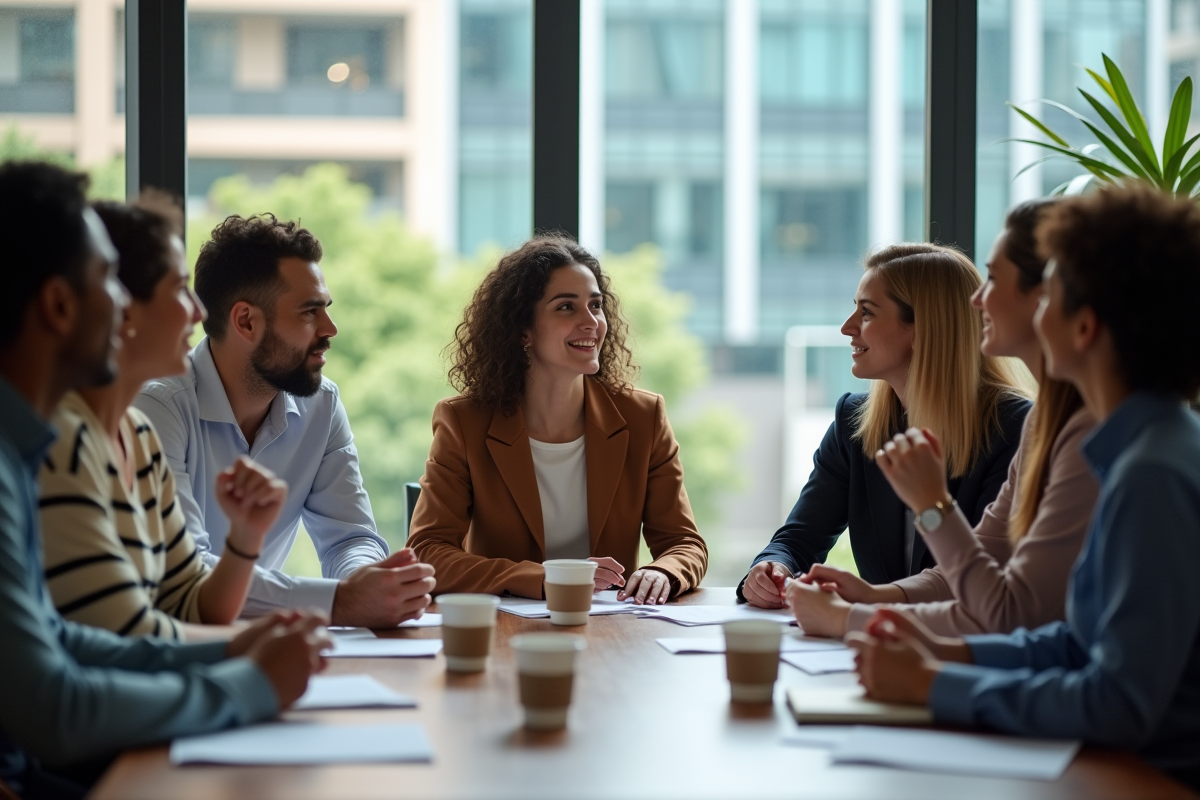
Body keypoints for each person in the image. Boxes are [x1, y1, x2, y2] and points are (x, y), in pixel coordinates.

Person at [847, 185, 1200, 791]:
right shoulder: (1138, 448)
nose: (1034, 312)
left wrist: (933, 682)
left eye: (1049, 296)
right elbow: (1079, 643)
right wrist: (941, 654)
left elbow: (1117, 703)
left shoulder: (1151, 472)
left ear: (1083, 326)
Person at [0, 161, 329, 800]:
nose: (124, 304)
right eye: (109, 281)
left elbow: (67, 642)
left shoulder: (27, 448)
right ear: (60, 305)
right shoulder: (40, 450)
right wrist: (250, 680)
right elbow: (59, 707)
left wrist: (240, 647)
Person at [787, 200, 1099, 637]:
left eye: (993, 279)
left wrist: (855, 618)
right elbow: (983, 578)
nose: (978, 300)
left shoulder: (1045, 429)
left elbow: (1006, 609)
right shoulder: (1049, 423)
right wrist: (874, 599)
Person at [135, 214, 434, 627]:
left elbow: (350, 538)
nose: (331, 329)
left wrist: (367, 579)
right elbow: (188, 571)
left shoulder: (321, 404)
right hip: (176, 644)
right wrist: (342, 601)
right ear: (246, 322)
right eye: (310, 312)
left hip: (266, 642)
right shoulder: (157, 408)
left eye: (326, 309)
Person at [39, 194, 289, 640]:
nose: (198, 311)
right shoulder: (62, 442)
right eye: (179, 289)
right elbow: (128, 634)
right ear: (123, 306)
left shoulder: (138, 436)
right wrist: (258, 642)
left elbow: (192, 603)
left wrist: (246, 535)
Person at [408, 236, 708, 603]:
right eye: (566, 307)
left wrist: (663, 571)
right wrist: (544, 578)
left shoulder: (643, 417)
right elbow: (428, 551)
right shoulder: (463, 422)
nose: (591, 322)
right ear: (522, 329)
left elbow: (684, 543)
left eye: (595, 305)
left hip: (612, 626)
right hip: (506, 625)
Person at [740, 243, 1031, 609]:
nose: (847, 327)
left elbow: (983, 584)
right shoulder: (854, 422)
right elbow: (799, 539)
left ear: (925, 328)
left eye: (867, 312)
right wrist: (773, 568)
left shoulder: (1015, 428)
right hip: (879, 638)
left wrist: (858, 612)